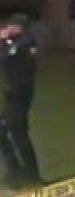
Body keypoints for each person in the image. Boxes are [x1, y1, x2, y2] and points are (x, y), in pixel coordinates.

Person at [0, 14, 42, 187]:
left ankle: (32, 175)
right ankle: (15, 170)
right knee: (3, 131)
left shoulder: (26, 42)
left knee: (18, 133)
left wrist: (3, 40)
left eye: (11, 26)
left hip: (21, 95)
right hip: (12, 94)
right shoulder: (14, 42)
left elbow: (6, 56)